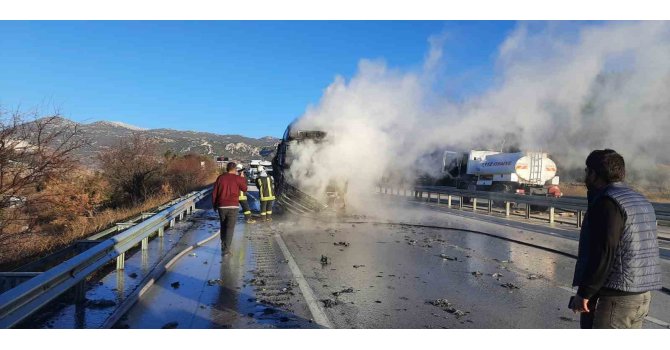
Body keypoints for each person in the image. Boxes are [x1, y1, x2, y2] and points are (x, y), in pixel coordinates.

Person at [571, 149, 662, 328]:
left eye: (587, 171)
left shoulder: (608, 203)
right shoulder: (639, 199)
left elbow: (604, 252)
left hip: (616, 299)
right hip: (641, 294)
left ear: (596, 174)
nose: (585, 176)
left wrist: (585, 293)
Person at [212, 162, 248, 255]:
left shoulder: (220, 178)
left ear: (227, 169)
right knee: (230, 228)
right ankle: (226, 250)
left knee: (223, 226)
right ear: (235, 169)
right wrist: (242, 177)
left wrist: (214, 205)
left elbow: (215, 193)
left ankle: (223, 246)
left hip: (222, 206)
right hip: (233, 206)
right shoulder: (238, 178)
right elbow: (244, 189)